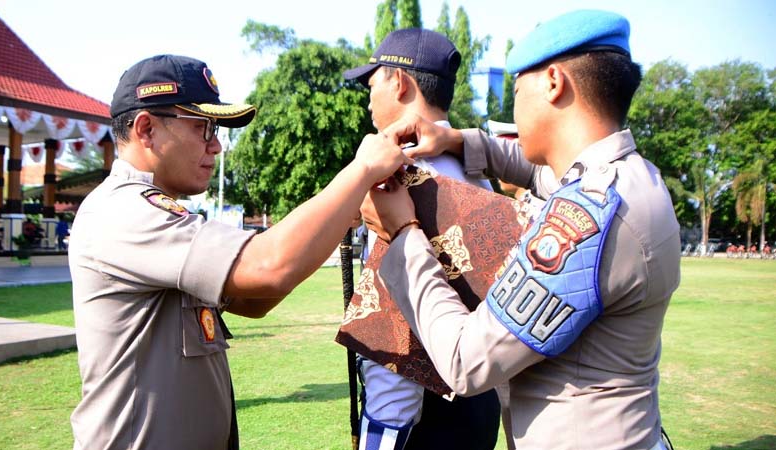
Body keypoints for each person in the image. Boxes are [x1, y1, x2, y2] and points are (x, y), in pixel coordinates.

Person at [361, 10, 680, 450]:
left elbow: (465, 360)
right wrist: (456, 140)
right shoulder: (630, 178)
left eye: (516, 88)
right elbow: (539, 176)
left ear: (553, 82)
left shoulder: (584, 221)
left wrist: (402, 234)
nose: (513, 106)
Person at [68, 54, 411, 450]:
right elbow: (268, 266)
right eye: (203, 127)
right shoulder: (125, 211)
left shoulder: (156, 212)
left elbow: (253, 300)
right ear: (146, 129)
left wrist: (337, 217)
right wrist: (361, 171)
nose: (216, 145)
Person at [342, 28, 499, 450]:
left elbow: (394, 351)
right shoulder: (479, 177)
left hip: (419, 425)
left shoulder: (400, 182)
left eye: (372, 83)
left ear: (400, 82)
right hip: (479, 411)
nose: (369, 98)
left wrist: (379, 437)